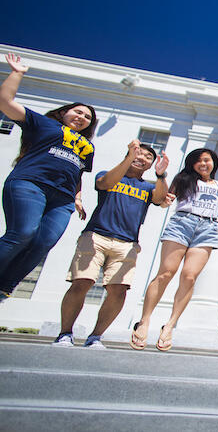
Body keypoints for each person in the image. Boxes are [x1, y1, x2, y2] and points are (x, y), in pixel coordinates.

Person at [52, 141, 169, 348]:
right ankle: (65, 333)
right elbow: (104, 183)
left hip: (127, 244)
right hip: (96, 236)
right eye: (138, 154)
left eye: (148, 157)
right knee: (82, 282)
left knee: (119, 290)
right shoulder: (109, 174)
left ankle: (95, 336)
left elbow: (160, 199)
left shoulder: (148, 186)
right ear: (129, 155)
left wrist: (161, 176)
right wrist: (128, 159)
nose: (142, 158)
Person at [0, 53, 97, 301]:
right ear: (64, 113)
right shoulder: (44, 124)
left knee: (43, 243)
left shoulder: (87, 146)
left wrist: (77, 197)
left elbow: (78, 172)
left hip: (63, 200)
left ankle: (4, 288)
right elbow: (5, 101)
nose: (82, 117)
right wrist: (17, 73)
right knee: (22, 233)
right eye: (78, 112)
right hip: (31, 184)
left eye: (87, 117)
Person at [130, 148, 218, 351]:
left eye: (207, 160)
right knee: (166, 273)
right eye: (198, 161)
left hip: (208, 229)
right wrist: (161, 180)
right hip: (182, 223)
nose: (203, 164)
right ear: (192, 164)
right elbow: (163, 202)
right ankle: (144, 321)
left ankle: (169, 325)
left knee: (189, 277)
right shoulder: (184, 179)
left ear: (214, 162)